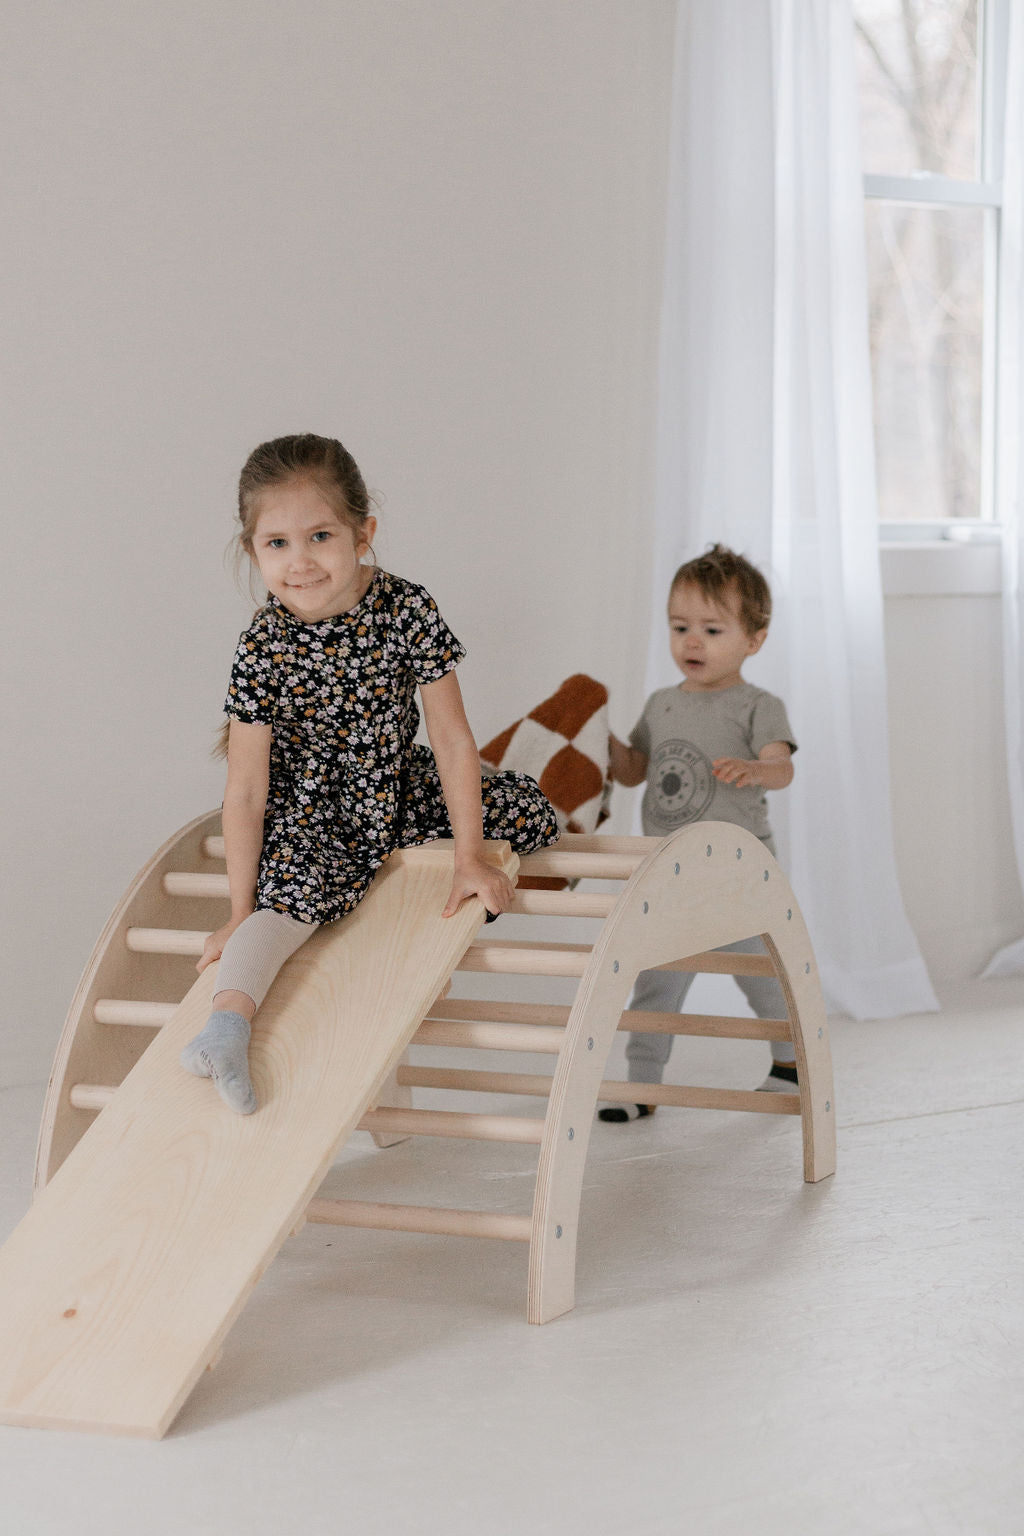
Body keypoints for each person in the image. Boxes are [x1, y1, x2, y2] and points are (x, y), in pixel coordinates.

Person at [181, 433, 558, 1113]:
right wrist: (239, 913)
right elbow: (246, 790)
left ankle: (501, 790)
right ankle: (225, 1028)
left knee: (530, 813)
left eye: (320, 536)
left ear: (363, 534)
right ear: (253, 552)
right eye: (278, 544)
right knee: (284, 906)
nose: (301, 562)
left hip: (395, 785)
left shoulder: (406, 609)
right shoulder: (263, 646)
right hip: (311, 813)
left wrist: (470, 856)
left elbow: (448, 736)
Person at [598, 543, 797, 1123]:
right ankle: (642, 1085)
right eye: (680, 626)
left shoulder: (758, 705)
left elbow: (782, 768)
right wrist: (605, 741)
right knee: (656, 980)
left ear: (753, 639)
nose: (691, 641)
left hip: (740, 873)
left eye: (711, 629)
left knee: (761, 976)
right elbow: (636, 771)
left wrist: (755, 769)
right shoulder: (662, 704)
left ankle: (790, 1064)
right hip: (670, 872)